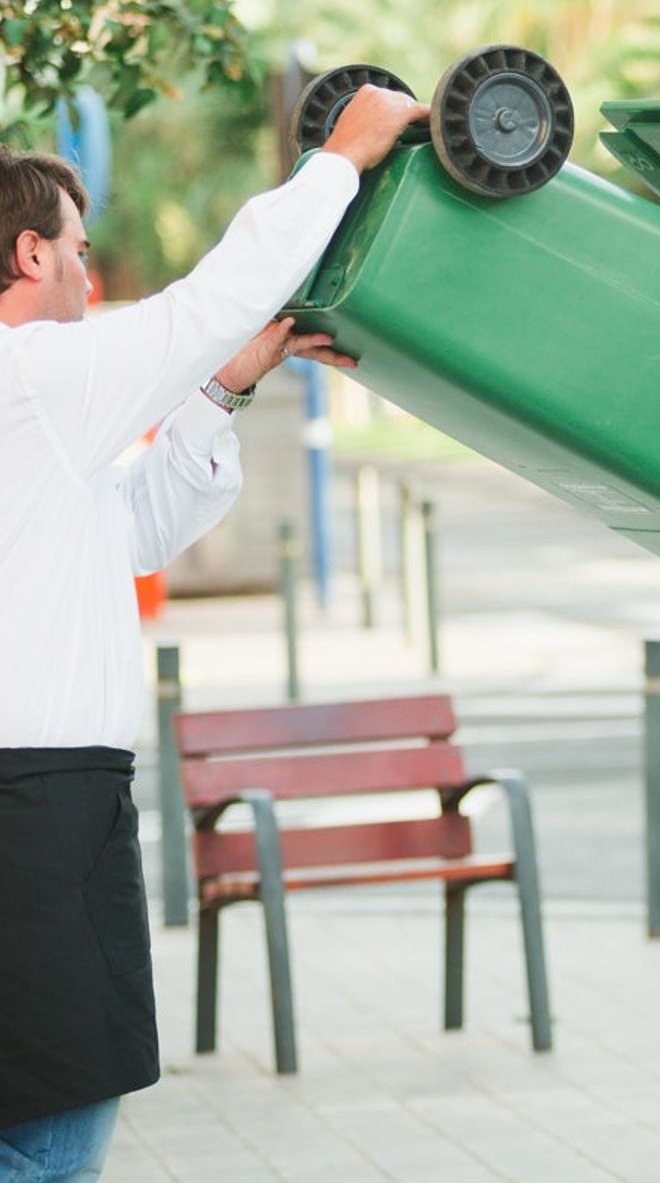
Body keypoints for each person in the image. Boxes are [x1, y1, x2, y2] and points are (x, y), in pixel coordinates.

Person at [0, 84, 429, 1179]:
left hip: (56, 799)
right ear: (28, 255)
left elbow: (134, 528)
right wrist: (339, 158)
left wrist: (224, 389)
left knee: (48, 1117)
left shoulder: (44, 423)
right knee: (52, 1132)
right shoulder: (31, 376)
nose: (92, 276)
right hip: (31, 806)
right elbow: (206, 302)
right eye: (78, 249)